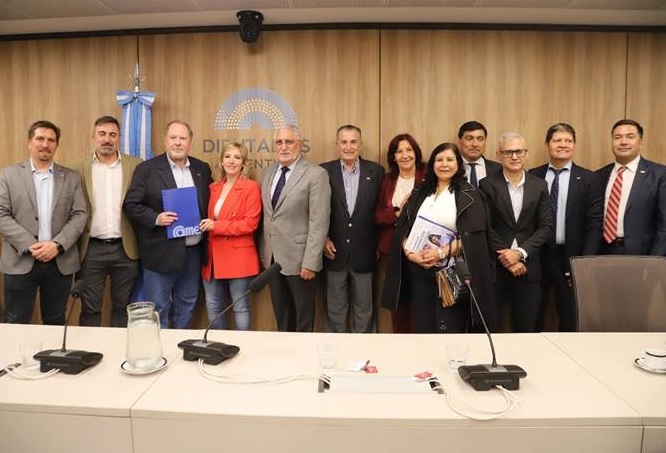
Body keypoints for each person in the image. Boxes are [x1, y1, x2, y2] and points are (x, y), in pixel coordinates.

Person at [382, 143, 496, 333]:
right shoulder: (420, 192)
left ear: (458, 164)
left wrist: (440, 253)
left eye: (450, 160)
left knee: (449, 328)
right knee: (423, 327)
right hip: (420, 271)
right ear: (432, 164)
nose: (444, 164)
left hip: (451, 272)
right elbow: (402, 230)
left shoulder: (470, 195)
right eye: (439, 160)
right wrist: (411, 255)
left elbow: (473, 239)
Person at [123, 120, 212, 328]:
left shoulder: (202, 169)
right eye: (173, 138)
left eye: (183, 138)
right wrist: (156, 218)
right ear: (165, 141)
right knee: (159, 307)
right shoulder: (146, 169)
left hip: (193, 252)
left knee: (187, 302)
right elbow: (131, 204)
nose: (178, 142)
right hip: (160, 252)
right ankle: (161, 345)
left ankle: (179, 343)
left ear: (190, 142)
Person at [0, 120, 87, 324]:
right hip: (20, 261)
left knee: (55, 320)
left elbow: (80, 214)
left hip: (59, 261)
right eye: (40, 139)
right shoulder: (8, 175)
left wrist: (57, 245)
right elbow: (2, 214)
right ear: (29, 142)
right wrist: (30, 244)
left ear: (56, 145)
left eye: (51, 140)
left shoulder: (72, 178)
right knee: (16, 320)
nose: (45, 144)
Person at [529, 123, 602, 331]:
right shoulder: (533, 175)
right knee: (532, 314)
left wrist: (583, 263)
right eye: (557, 140)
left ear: (574, 145)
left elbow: (595, 224)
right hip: (538, 255)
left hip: (570, 257)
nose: (563, 145)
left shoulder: (589, 178)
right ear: (547, 145)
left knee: (569, 316)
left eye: (568, 141)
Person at [71, 116, 142, 327]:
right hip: (91, 249)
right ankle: (90, 348)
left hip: (126, 249)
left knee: (123, 308)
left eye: (112, 135)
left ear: (119, 138)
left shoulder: (136, 165)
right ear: (93, 136)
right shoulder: (77, 167)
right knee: (90, 309)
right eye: (102, 134)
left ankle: (119, 347)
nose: (107, 139)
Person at [259, 125, 331, 332]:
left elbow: (319, 222)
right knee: (282, 319)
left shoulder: (316, 175)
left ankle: (303, 354)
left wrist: (310, 262)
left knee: (303, 321)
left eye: (289, 142)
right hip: (273, 260)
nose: (283, 147)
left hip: (300, 262)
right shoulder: (268, 173)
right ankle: (285, 354)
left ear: (299, 144)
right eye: (279, 142)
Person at [480, 132, 551, 333]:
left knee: (526, 330)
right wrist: (507, 258)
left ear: (526, 154)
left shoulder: (539, 185)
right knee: (489, 329)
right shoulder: (487, 185)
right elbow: (486, 226)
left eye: (519, 151)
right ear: (499, 154)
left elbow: (545, 227)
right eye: (508, 152)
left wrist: (519, 253)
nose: (514, 156)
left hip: (528, 268)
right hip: (495, 268)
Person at [321, 125, 384, 333]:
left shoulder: (376, 171)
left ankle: (363, 349)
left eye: (353, 142)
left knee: (364, 309)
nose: (348, 146)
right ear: (337, 145)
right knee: (335, 309)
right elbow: (316, 210)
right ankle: (335, 348)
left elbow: (380, 209)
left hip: (365, 252)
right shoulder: (323, 171)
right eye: (344, 142)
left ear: (360, 145)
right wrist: (324, 238)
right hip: (333, 252)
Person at [199, 141, 261, 330]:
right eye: (227, 156)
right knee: (213, 306)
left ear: (243, 163)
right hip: (212, 256)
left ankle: (243, 345)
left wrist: (216, 225)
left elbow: (250, 223)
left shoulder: (251, 187)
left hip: (238, 255)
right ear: (221, 161)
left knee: (241, 308)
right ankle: (218, 344)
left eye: (237, 157)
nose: (231, 161)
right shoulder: (213, 187)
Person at [375, 133, 426, 333]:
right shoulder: (387, 180)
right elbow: (377, 216)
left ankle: (420, 343)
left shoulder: (428, 177)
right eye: (399, 151)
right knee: (398, 301)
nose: (405, 155)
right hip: (393, 249)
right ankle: (400, 341)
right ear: (393, 157)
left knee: (421, 299)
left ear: (416, 152)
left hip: (423, 248)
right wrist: (398, 212)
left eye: (409, 150)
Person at [596, 119, 666, 256]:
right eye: (617, 137)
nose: (623, 142)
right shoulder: (599, 175)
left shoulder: (660, 175)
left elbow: (664, 225)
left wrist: (655, 260)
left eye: (630, 137)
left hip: (642, 254)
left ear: (640, 142)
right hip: (602, 252)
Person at [457, 121, 502, 188]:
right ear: (460, 141)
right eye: (469, 139)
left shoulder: (499, 170)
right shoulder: (451, 168)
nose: (475, 144)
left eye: (480, 139)